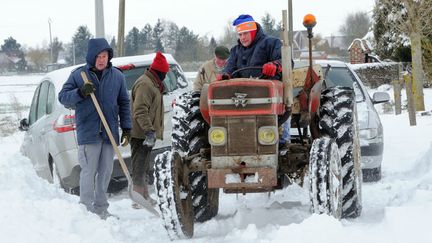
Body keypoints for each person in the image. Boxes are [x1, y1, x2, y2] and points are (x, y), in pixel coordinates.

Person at [58, 38, 132, 220]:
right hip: (89, 133)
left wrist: (127, 128)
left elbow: (124, 103)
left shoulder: (117, 76)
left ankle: (101, 209)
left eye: (104, 56)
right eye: (98, 56)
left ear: (109, 57)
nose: (101, 60)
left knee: (105, 172)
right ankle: (86, 211)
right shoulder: (78, 75)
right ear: (92, 57)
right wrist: (81, 92)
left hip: (109, 133)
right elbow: (63, 97)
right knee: (88, 172)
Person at [219, 14, 291, 145]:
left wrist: (275, 65)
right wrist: (225, 75)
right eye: (240, 35)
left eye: (245, 33)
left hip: (268, 96)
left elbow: (287, 62)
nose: (242, 38)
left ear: (253, 31)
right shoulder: (235, 51)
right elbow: (229, 68)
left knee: (282, 107)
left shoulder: (271, 43)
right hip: (243, 97)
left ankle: (282, 140)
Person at [130, 51, 169, 209]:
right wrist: (149, 130)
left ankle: (145, 195)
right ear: (159, 72)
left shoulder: (153, 83)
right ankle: (137, 199)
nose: (165, 76)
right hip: (141, 134)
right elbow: (139, 110)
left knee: (145, 165)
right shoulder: (145, 84)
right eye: (165, 73)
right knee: (139, 165)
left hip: (147, 134)